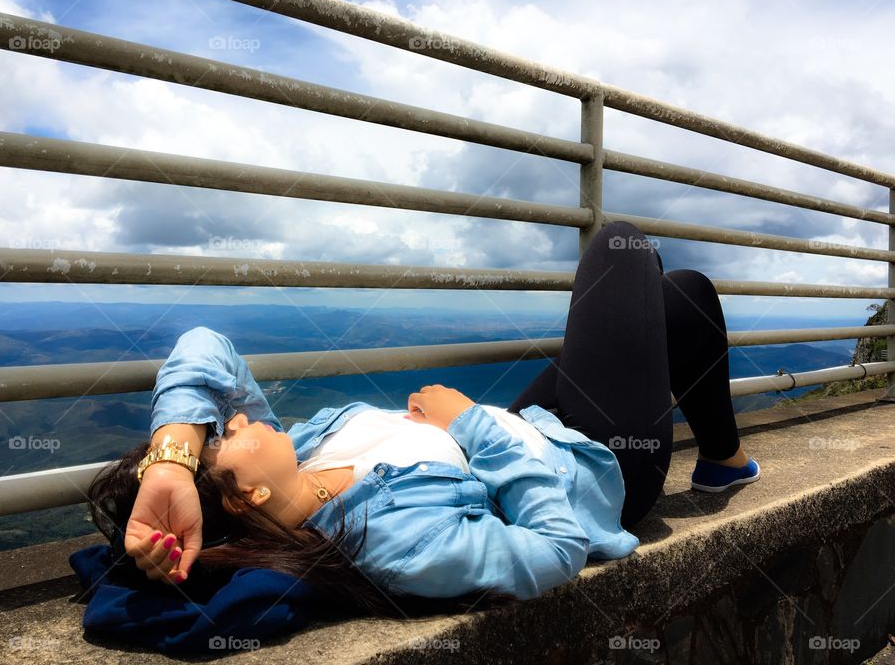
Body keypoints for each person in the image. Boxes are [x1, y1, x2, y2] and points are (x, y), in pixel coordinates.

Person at [94, 220, 757, 612]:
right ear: (250, 498)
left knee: (682, 295)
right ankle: (718, 461)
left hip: (522, 425)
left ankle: (723, 466)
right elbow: (555, 549)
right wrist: (467, 421)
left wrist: (175, 455)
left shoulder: (302, 449)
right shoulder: (392, 540)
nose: (234, 422)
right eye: (222, 443)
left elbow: (204, 348)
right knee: (622, 248)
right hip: (595, 466)